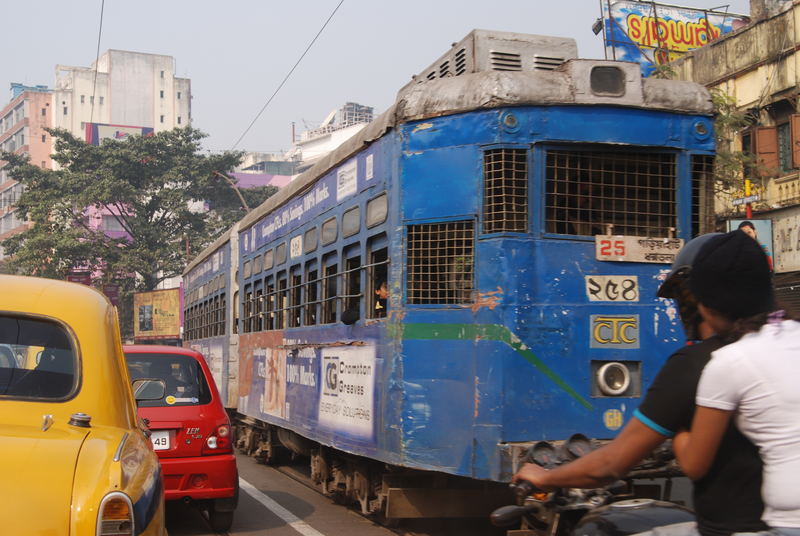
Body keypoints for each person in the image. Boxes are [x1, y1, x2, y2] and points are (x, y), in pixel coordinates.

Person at [513, 232, 768, 536]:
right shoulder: (787, 346)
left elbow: (610, 465)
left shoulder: (699, 363)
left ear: (697, 299)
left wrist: (544, 478)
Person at [672, 230, 800, 535]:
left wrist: (676, 422)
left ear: (704, 305)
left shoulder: (729, 361)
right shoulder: (791, 334)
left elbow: (693, 463)